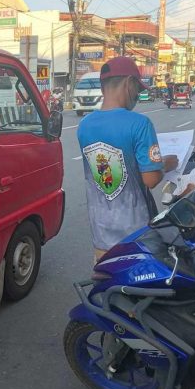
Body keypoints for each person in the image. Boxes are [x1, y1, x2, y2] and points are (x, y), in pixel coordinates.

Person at [77, 57, 178, 263]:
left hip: (101, 230)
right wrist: (167, 163)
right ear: (129, 83)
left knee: (109, 283)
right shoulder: (139, 124)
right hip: (137, 233)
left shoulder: (85, 125)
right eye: (137, 88)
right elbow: (150, 179)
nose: (137, 95)